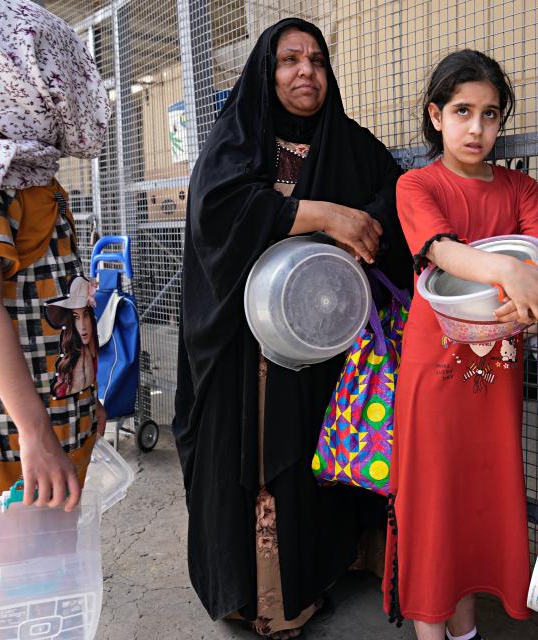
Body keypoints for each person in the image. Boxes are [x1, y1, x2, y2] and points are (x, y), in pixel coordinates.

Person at [172, 18, 412, 640]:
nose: (305, 71)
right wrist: (324, 215)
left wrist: (361, 226)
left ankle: (312, 578)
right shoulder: (236, 141)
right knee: (255, 464)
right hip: (241, 351)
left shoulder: (353, 146)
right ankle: (259, 598)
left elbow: (393, 206)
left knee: (313, 459)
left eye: (317, 61)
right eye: (289, 60)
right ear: (265, 72)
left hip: (322, 348)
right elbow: (219, 214)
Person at [383, 50, 538, 640]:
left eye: (490, 115)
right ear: (436, 116)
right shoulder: (417, 184)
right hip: (434, 374)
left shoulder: (520, 186)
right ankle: (433, 632)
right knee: (434, 503)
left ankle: (464, 631)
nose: (477, 128)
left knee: (481, 497)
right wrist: (514, 275)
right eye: (463, 111)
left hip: (498, 378)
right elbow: (441, 251)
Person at [0, 1, 110, 637]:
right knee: (10, 589)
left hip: (56, 418)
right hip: (18, 436)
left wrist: (84, 396)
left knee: (49, 582)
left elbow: (54, 295)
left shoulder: (25, 168)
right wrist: (38, 435)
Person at [46, 276, 99, 399]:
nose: (82, 326)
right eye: (76, 317)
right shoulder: (73, 359)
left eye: (85, 315)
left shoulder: (94, 352)